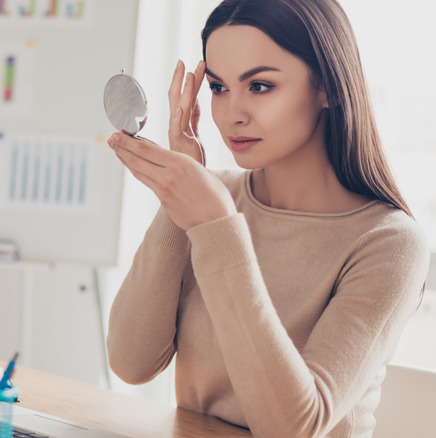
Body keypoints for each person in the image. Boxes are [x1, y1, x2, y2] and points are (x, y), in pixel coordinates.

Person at [105, 0, 430, 436]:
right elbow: (131, 362)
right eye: (218, 88)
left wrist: (215, 227)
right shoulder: (209, 197)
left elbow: (292, 428)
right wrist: (178, 196)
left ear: (328, 87)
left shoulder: (389, 243)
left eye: (259, 86)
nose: (231, 114)